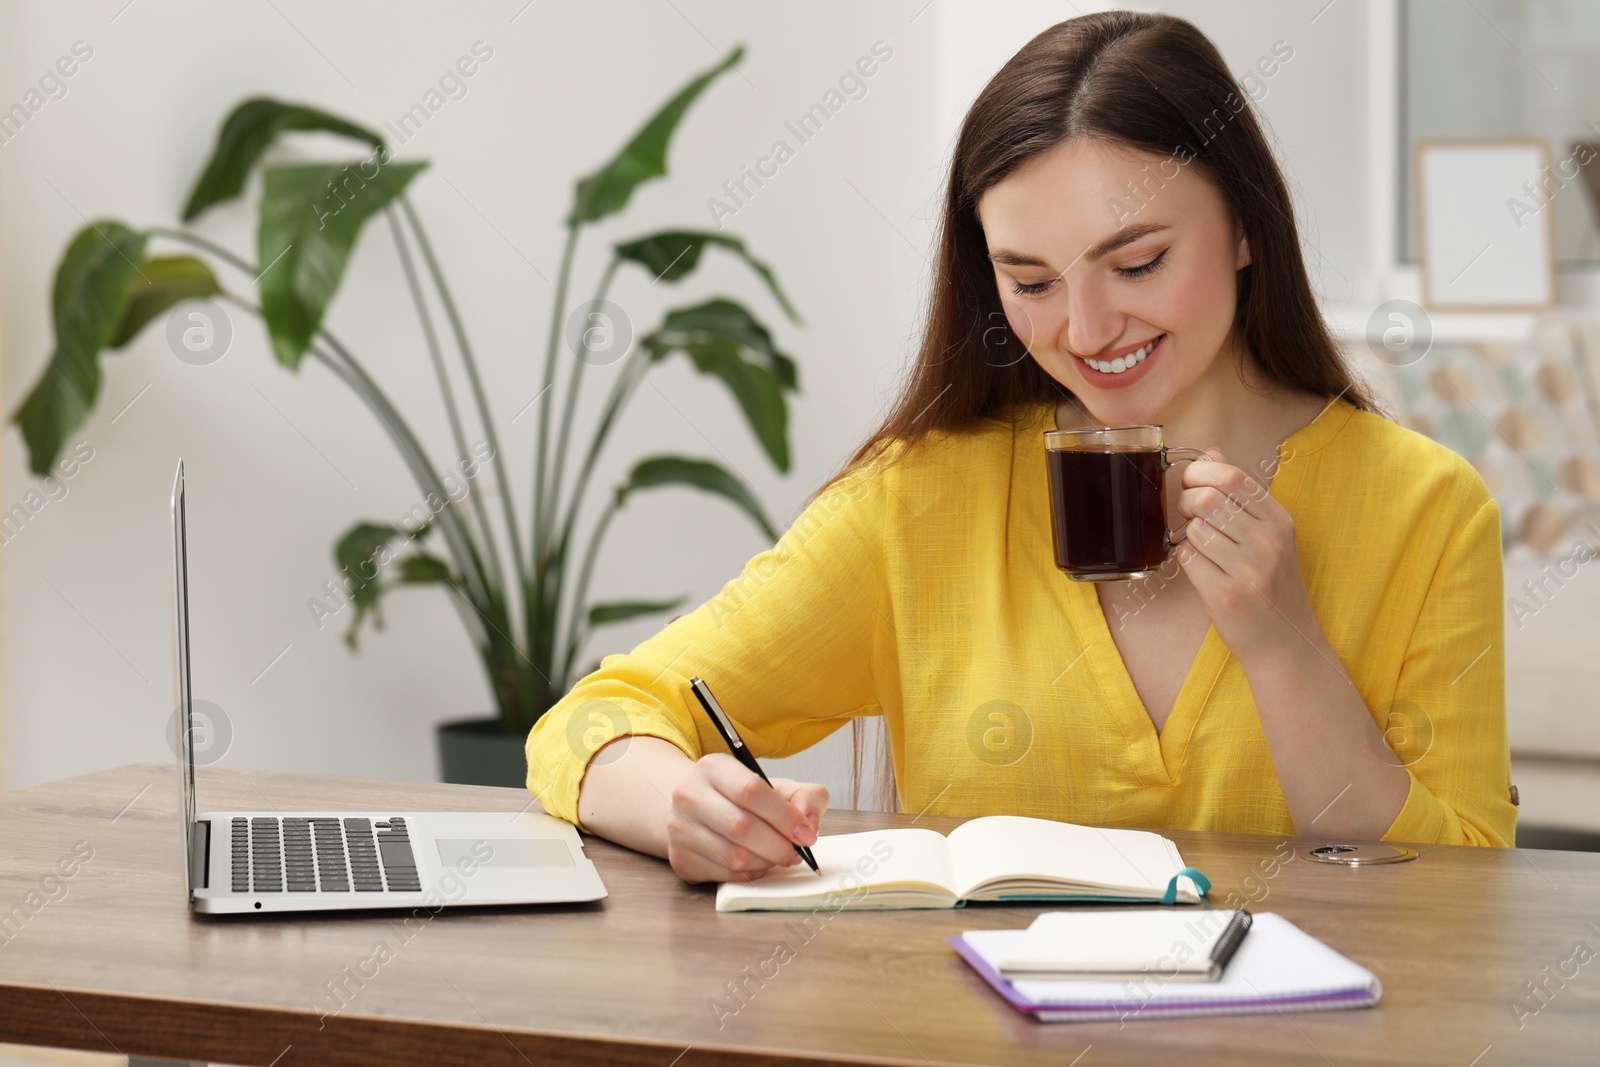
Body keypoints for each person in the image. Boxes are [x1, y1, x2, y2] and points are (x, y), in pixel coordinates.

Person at [525, 10, 1516, 885]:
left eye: (1136, 262)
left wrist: (1286, 645)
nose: (1085, 330)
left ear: (1246, 227)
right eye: (1031, 280)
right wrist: (683, 811)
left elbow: (1468, 886)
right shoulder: (919, 500)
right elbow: (597, 715)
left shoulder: (1423, 507)